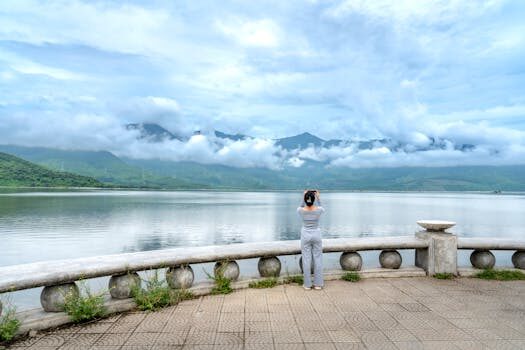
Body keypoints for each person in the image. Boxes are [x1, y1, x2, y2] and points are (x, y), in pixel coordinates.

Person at [297, 189, 325, 290]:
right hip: (316, 235)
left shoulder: (301, 211)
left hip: (305, 235)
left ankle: (307, 284)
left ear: (305, 200)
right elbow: (321, 207)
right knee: (318, 259)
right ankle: (318, 284)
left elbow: (300, 206)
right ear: (313, 199)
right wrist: (318, 197)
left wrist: (303, 196)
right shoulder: (319, 210)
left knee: (306, 259)